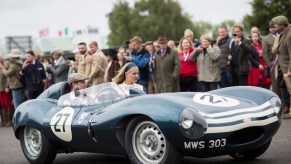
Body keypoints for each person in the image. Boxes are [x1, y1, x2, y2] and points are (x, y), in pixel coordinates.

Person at [271, 15, 291, 117]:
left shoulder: (289, 35)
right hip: (281, 67)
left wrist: (289, 70)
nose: (274, 26)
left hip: (288, 68)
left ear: (282, 25)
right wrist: (277, 39)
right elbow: (274, 50)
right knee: (287, 88)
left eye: (276, 24)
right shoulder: (281, 35)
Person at [262, 20, 280, 96]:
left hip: (283, 63)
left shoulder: (281, 35)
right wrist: (270, 65)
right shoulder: (266, 38)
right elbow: (264, 53)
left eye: (274, 27)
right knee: (275, 85)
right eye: (271, 28)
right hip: (273, 64)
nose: (272, 29)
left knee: (284, 84)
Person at [0, 53, 13, 127]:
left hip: (5, 88)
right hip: (0, 88)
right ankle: (5, 120)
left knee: (7, 104)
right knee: (3, 104)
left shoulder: (5, 64)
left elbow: (8, 76)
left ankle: (9, 120)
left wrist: (7, 86)